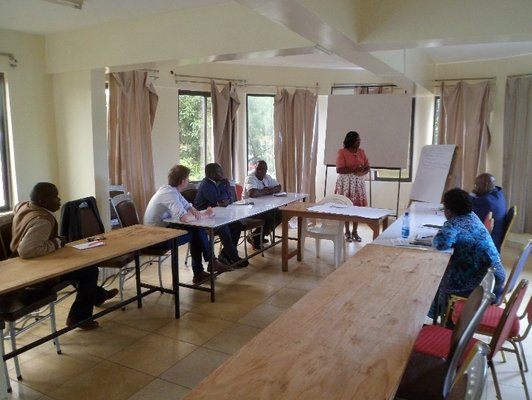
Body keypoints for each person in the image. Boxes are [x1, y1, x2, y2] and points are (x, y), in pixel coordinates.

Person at [10, 182, 118, 330]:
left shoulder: (24, 206)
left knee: (80, 268)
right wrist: (56, 241)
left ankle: (98, 296)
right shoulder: (42, 220)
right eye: (55, 197)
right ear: (42, 202)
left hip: (26, 267)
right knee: (89, 271)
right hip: (37, 273)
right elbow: (27, 250)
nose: (59, 200)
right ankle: (79, 317)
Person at [143, 165, 232, 285]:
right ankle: (208, 265)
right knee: (196, 232)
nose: (189, 180)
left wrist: (195, 211)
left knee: (195, 230)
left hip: (163, 230)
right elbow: (184, 218)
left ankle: (203, 270)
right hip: (155, 238)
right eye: (188, 178)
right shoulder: (169, 193)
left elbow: (187, 205)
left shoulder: (170, 189)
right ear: (183, 181)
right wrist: (205, 215)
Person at [430, 188, 506, 319]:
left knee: (436, 280)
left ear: (449, 210)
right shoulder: (472, 216)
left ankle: (441, 316)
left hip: (483, 282)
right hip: (496, 275)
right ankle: (444, 316)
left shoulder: (453, 224)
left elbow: (441, 244)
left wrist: (439, 234)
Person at [194, 163, 248, 268]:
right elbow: (218, 200)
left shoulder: (216, 183)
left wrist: (225, 188)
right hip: (204, 219)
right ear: (211, 174)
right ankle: (234, 257)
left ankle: (225, 254)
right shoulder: (206, 184)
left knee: (237, 225)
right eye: (220, 172)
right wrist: (224, 190)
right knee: (224, 228)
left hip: (216, 215)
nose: (222, 174)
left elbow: (230, 198)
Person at [334, 131, 370, 242]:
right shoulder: (342, 152)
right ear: (351, 141)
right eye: (357, 140)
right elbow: (339, 169)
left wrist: (363, 172)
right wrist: (355, 169)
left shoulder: (361, 152)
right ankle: (347, 232)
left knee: (356, 208)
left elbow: (367, 166)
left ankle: (355, 231)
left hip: (358, 183)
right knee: (346, 207)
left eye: (359, 140)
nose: (359, 142)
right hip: (346, 183)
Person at [243, 160, 282, 249]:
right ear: (255, 168)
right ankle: (254, 238)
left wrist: (271, 190)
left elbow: (279, 186)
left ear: (266, 170)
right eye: (258, 168)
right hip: (250, 208)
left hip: (262, 206)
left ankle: (260, 235)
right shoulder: (251, 178)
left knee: (280, 214)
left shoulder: (267, 177)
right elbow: (252, 194)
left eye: (263, 169)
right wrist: (264, 191)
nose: (260, 171)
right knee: (269, 218)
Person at [470, 173, 507, 252]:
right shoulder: (497, 192)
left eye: (477, 185)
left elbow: (469, 212)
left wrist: (471, 196)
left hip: (487, 244)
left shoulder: (486, 201)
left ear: (486, 185)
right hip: (494, 237)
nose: (475, 188)